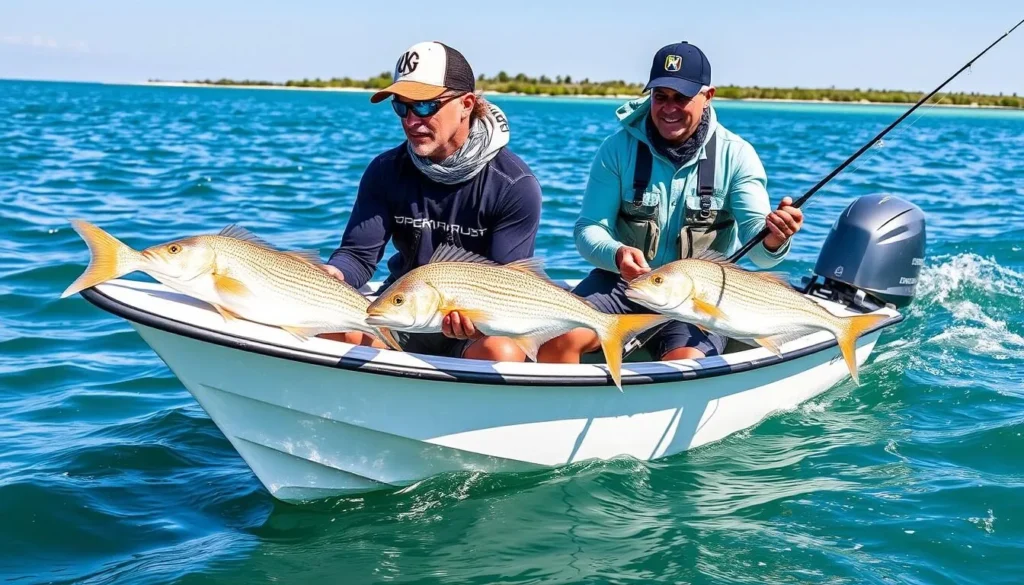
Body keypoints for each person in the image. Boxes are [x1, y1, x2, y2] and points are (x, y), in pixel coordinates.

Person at [538, 41, 804, 365]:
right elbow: (589, 228)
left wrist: (775, 238)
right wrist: (617, 253)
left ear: (708, 97)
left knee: (686, 364)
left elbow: (760, 253)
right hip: (626, 284)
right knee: (557, 338)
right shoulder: (616, 150)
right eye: (660, 96)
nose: (669, 108)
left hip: (700, 299)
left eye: (681, 98)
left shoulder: (737, 156)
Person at [322, 41, 542, 361]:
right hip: (405, 310)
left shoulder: (514, 185)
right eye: (402, 106)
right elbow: (357, 256)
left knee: (502, 350)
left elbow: (510, 286)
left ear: (466, 104)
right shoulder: (384, 170)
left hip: (476, 327)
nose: (411, 120)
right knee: (329, 323)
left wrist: (479, 319)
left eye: (425, 106)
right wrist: (333, 274)